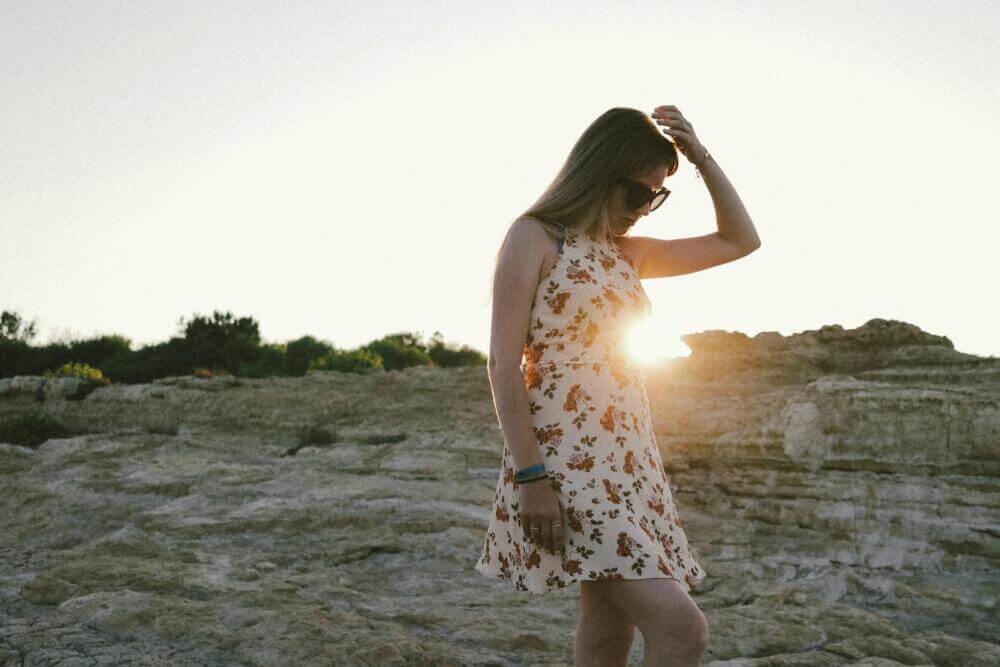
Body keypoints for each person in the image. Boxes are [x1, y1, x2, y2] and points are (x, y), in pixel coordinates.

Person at [474, 105, 761, 666]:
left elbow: (739, 240)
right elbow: (502, 365)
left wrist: (699, 156)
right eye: (637, 192)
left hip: (629, 466)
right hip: (563, 468)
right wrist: (532, 476)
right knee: (683, 629)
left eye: (656, 197)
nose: (644, 210)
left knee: (608, 633)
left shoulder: (628, 255)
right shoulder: (534, 238)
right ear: (601, 172)